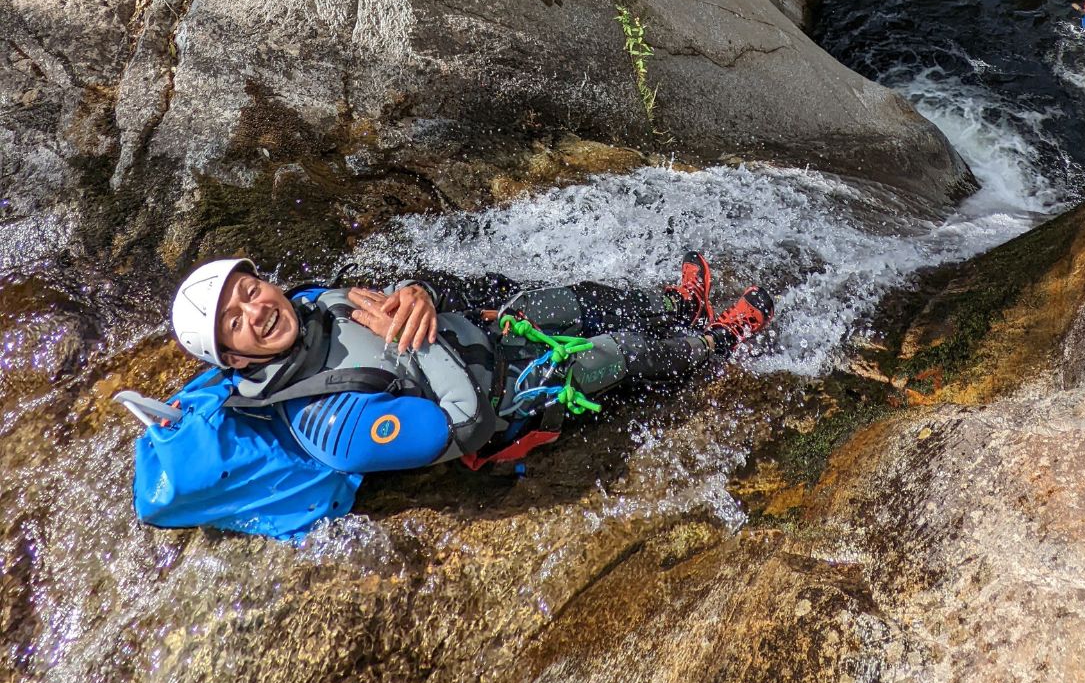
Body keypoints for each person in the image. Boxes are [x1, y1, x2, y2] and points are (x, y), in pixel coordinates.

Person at [137, 254, 777, 537]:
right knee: (623, 357)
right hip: (516, 398)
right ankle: (717, 344)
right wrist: (418, 341)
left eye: (249, 291)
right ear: (233, 359)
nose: (255, 310)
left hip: (488, 335)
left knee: (576, 298)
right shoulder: (330, 425)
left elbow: (395, 305)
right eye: (233, 322)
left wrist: (419, 296)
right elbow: (463, 425)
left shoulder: (310, 306)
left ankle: (676, 305)